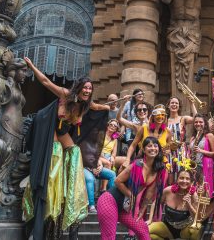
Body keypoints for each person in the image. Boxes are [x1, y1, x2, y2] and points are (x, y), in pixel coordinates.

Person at [22, 57, 111, 239]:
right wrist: (31, 66)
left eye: (90, 89)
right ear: (79, 88)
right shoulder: (65, 94)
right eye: (85, 88)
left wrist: (114, 105)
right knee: (55, 153)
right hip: (49, 128)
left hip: (63, 133)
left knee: (75, 152)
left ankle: (70, 192)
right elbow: (46, 82)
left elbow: (101, 106)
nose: (87, 90)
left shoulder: (87, 105)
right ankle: (52, 185)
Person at [97, 137, 167, 240]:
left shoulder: (157, 169)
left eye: (155, 146)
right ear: (143, 150)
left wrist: (142, 209)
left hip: (125, 207)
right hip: (109, 201)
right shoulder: (137, 164)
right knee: (109, 237)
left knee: (143, 230)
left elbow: (150, 193)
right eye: (149, 146)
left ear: (159, 149)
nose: (153, 148)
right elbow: (117, 181)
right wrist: (131, 196)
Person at [148, 169, 201, 240]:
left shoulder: (193, 195)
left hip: (184, 230)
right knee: (146, 230)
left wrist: (189, 205)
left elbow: (196, 218)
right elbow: (155, 203)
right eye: (181, 178)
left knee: (197, 228)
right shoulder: (168, 191)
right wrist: (150, 219)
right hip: (167, 227)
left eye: (187, 179)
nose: (184, 181)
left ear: (191, 182)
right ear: (177, 179)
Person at [189, 114, 214, 195]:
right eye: (196, 122)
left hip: (205, 167)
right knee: (194, 191)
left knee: (204, 191)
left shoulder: (209, 135)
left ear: (205, 124)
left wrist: (201, 151)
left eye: (201, 122)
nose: (198, 124)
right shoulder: (192, 138)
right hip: (194, 168)